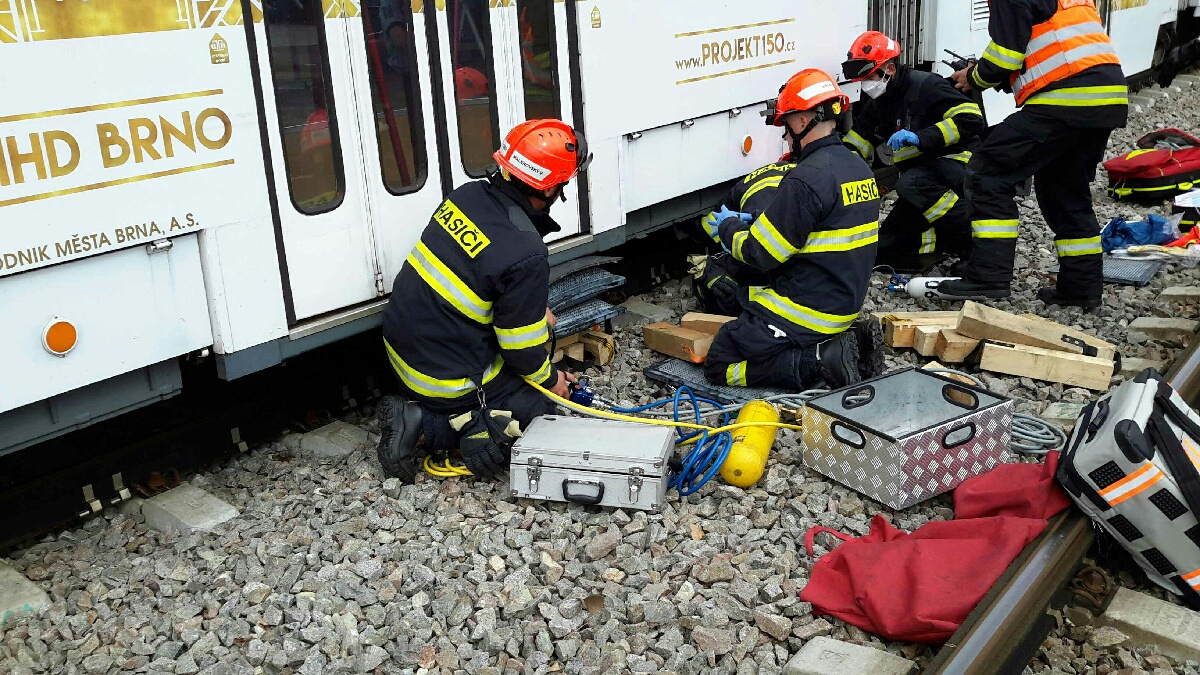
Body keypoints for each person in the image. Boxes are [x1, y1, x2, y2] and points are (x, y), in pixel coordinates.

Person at [375, 118, 591, 483]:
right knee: (538, 411)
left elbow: (480, 276)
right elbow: (521, 353)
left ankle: (442, 412)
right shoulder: (526, 252)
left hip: (403, 352)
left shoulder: (467, 196)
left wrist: (531, 309)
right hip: (441, 380)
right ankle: (424, 424)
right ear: (552, 187)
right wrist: (553, 380)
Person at [700, 69, 881, 391]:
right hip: (844, 303)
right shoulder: (858, 167)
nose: (785, 136)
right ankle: (852, 342)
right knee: (748, 302)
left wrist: (728, 228)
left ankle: (818, 361)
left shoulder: (805, 178)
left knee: (720, 361)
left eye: (785, 126)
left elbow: (761, 254)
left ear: (801, 121)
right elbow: (821, 229)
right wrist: (754, 222)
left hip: (808, 310)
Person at [938, 0, 1128, 307]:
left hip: (1066, 98)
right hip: (1107, 98)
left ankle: (988, 277)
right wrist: (988, 73)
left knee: (987, 172)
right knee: (1066, 193)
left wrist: (972, 77)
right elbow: (1042, 53)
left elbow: (1005, 56)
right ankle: (1081, 289)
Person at [841, 31, 983, 272]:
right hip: (923, 177)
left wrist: (922, 138)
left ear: (890, 69)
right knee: (884, 248)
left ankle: (977, 244)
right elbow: (856, 142)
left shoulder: (926, 86)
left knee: (909, 184)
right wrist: (838, 168)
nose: (866, 85)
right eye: (862, 80)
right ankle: (947, 240)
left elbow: (971, 118)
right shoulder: (879, 104)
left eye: (869, 77)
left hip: (960, 163)